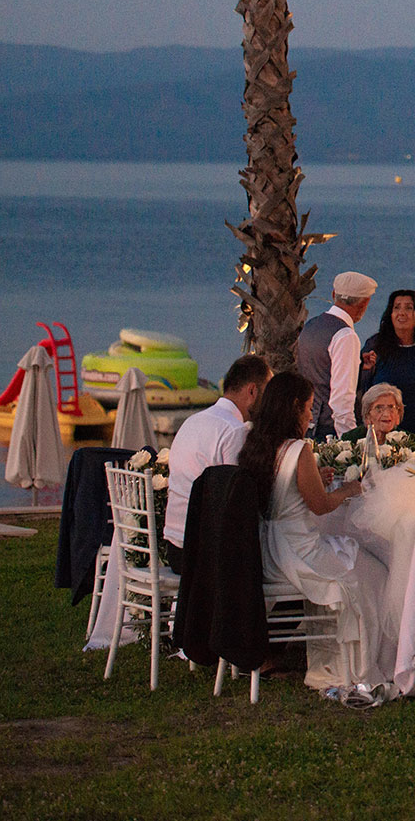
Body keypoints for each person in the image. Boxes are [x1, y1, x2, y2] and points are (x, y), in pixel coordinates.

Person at [236, 371, 392, 694]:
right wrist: (350, 489)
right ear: (293, 407)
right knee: (372, 570)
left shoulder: (259, 444)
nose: (311, 414)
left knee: (356, 558)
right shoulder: (297, 448)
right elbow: (321, 506)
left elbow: (284, 489)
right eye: (308, 407)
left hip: (270, 549)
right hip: (299, 552)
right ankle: (371, 659)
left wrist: (313, 475)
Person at [162, 353, 268, 565]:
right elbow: (237, 500)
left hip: (175, 546)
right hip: (204, 554)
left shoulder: (193, 421)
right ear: (252, 391)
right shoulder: (234, 431)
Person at [295, 270, 376, 438]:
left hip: (308, 424)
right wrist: (348, 441)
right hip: (329, 430)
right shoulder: (345, 336)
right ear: (364, 303)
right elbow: (342, 399)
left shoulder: (311, 326)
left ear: (334, 295)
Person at [357, 289, 415, 438]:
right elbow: (362, 391)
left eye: (408, 308)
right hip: (385, 434)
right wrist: (363, 370)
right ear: (390, 314)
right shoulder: (376, 344)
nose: (401, 313)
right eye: (397, 307)